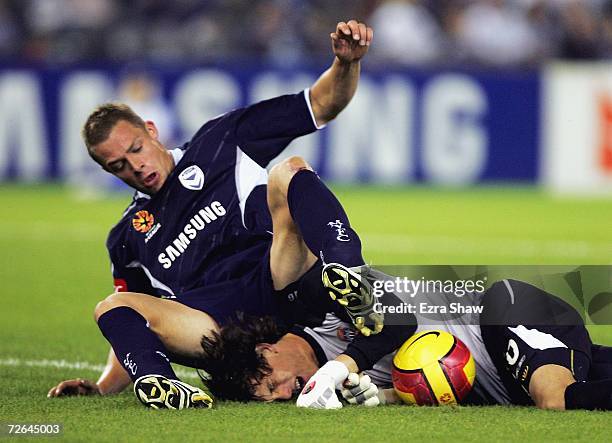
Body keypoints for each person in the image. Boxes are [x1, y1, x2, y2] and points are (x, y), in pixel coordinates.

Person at [48, 19, 382, 409]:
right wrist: (105, 386)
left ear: (152, 130)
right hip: (218, 333)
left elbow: (322, 104)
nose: (134, 167)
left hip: (277, 281)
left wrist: (346, 63)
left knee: (288, 171)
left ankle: (349, 272)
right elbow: (138, 319)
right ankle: (162, 386)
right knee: (111, 306)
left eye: (136, 149)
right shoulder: (126, 238)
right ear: (107, 172)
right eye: (118, 166)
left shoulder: (221, 141)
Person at [199, 278, 612, 411]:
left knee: (556, 398)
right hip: (503, 379)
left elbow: (398, 321)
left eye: (274, 385)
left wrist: (343, 364)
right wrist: (379, 396)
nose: (288, 394)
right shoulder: (332, 393)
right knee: (592, 374)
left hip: (502, 315)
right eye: (275, 399)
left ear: (266, 351)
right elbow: (419, 381)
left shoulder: (319, 306)